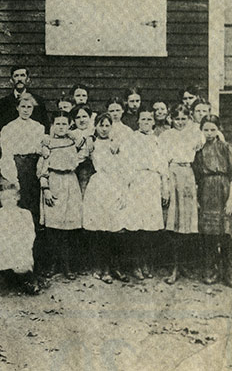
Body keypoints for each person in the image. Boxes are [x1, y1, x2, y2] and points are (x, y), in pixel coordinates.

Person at [121, 106, 169, 280]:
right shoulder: (131, 139)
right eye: (143, 119)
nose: (146, 122)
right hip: (136, 182)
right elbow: (125, 165)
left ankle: (146, 263)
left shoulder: (158, 141)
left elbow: (163, 166)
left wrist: (164, 188)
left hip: (152, 183)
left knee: (149, 227)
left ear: (154, 121)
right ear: (138, 121)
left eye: (149, 119)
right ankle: (135, 264)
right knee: (136, 226)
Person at [159, 104, 202, 284]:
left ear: (189, 118)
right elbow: (162, 161)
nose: (180, 122)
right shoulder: (165, 136)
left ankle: (184, 265)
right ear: (171, 118)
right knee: (173, 224)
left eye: (184, 118)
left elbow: (199, 153)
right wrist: (165, 186)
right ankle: (174, 267)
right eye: (177, 119)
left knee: (187, 223)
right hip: (172, 174)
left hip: (188, 176)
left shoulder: (195, 135)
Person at [38, 111, 84, 280]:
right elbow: (42, 169)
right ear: (52, 126)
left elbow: (84, 145)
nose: (61, 127)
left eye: (64, 123)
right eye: (57, 123)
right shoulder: (47, 144)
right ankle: (53, 265)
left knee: (68, 231)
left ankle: (68, 266)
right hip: (54, 182)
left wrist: (70, 132)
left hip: (70, 183)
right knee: (53, 230)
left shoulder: (73, 142)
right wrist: (46, 189)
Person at [83, 113, 128, 284]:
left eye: (107, 125)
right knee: (100, 231)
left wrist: (123, 191)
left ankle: (114, 267)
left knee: (115, 230)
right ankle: (101, 267)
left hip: (115, 185)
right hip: (99, 186)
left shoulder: (116, 144)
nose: (104, 129)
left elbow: (123, 168)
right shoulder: (91, 143)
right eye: (101, 125)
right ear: (95, 126)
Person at [192, 115, 232, 286]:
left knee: (226, 233)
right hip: (206, 191)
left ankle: (228, 271)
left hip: (224, 189)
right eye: (206, 129)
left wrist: (231, 200)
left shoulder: (226, 148)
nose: (209, 133)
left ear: (218, 130)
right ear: (201, 130)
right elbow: (195, 175)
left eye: (212, 129)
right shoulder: (198, 150)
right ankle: (211, 269)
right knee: (209, 235)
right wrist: (197, 198)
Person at [0, 93, 46, 225]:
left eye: (29, 107)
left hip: (35, 167)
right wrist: (13, 177)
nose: (26, 110)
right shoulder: (8, 128)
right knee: (20, 200)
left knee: (35, 202)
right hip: (18, 166)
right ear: (17, 107)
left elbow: (42, 150)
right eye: (23, 106)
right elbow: (7, 154)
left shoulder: (39, 127)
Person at [0, 184, 38, 294]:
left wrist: (25, 244)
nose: (8, 201)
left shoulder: (24, 213)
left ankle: (28, 281)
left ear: (17, 197)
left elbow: (30, 232)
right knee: (5, 259)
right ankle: (12, 281)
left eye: (11, 198)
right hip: (5, 244)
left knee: (22, 260)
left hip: (20, 244)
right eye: (4, 199)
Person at [0, 66, 49, 131]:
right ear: (11, 80)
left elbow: (45, 125)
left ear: (28, 79)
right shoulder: (3, 103)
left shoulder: (38, 101)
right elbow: (0, 127)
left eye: (22, 75)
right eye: (16, 76)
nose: (19, 79)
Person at [69, 104, 95, 195]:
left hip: (92, 167)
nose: (82, 120)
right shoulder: (71, 134)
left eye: (84, 116)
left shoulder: (94, 131)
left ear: (90, 117)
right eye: (78, 117)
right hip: (75, 167)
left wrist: (90, 137)